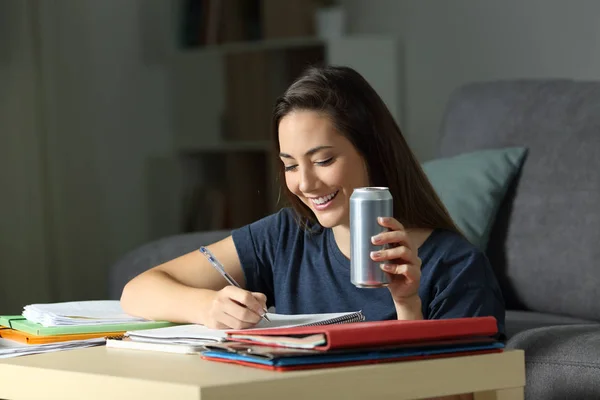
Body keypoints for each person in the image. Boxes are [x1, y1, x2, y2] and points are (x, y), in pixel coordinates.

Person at [120, 65, 505, 340]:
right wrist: (208, 307)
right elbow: (139, 290)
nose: (305, 184)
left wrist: (407, 305)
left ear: (373, 153)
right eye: (290, 165)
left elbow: (459, 390)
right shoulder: (286, 236)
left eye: (323, 161)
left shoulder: (456, 268)